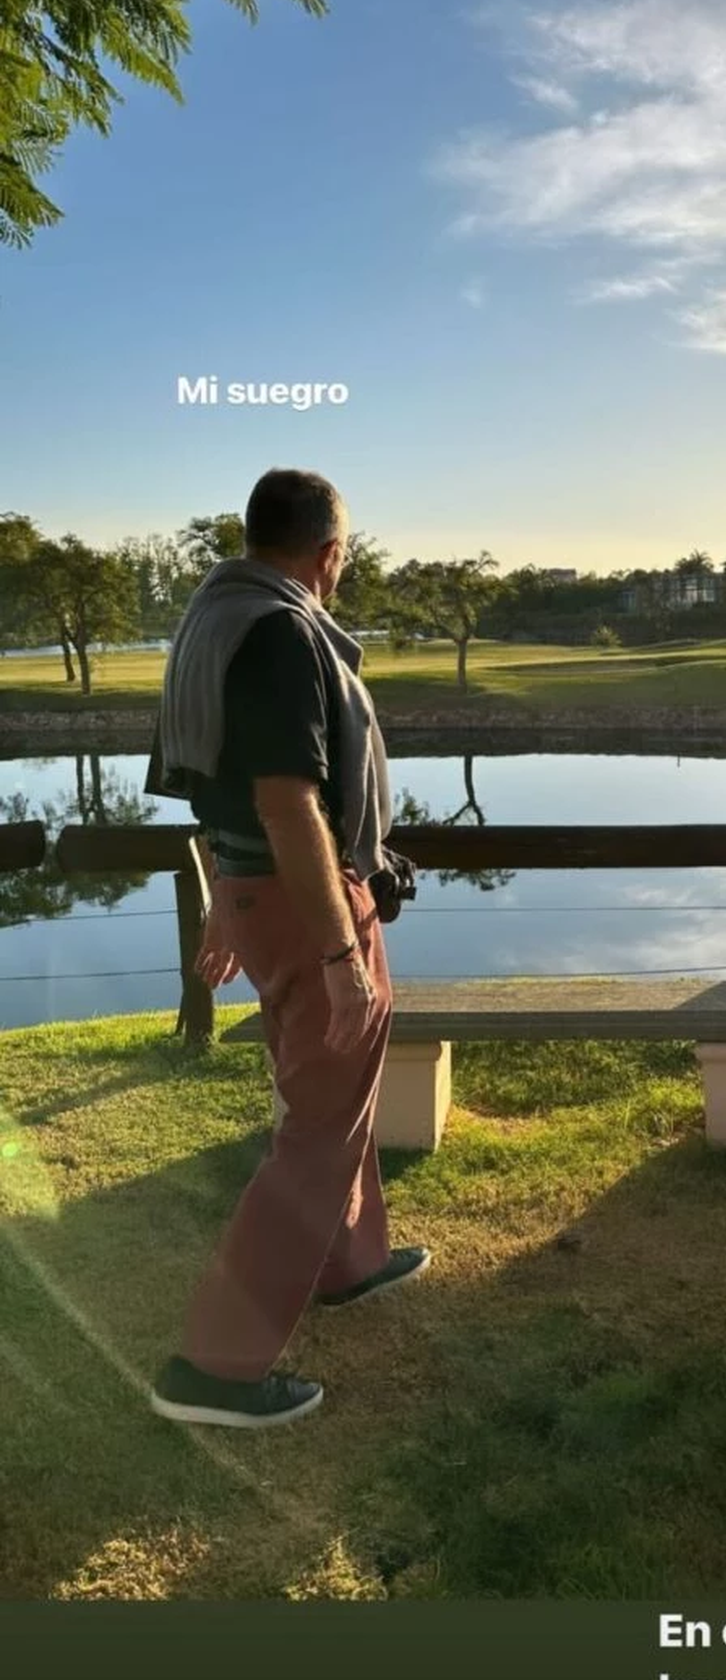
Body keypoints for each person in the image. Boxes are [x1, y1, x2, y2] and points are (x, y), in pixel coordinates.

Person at [144, 468, 430, 1429]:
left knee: (328, 1095)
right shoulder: (281, 628)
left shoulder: (214, 613)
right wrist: (344, 950)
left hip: (256, 891)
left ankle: (349, 1261)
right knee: (317, 1121)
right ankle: (215, 1367)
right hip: (309, 906)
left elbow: (215, 791)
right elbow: (286, 800)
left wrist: (229, 898)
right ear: (328, 551)